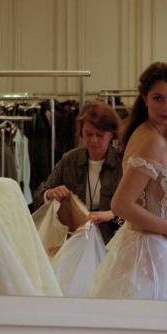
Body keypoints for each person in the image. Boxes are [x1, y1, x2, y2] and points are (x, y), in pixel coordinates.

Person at [87, 62, 167, 300]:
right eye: (158, 98)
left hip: (159, 249)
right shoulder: (151, 140)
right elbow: (121, 205)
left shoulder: (165, 137)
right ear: (145, 99)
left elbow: (158, 195)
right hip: (147, 252)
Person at [33, 101, 123, 244]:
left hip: (112, 241)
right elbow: (38, 195)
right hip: (74, 240)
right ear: (81, 132)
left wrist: (111, 214)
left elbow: (134, 211)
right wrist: (50, 194)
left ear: (112, 135)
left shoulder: (122, 164)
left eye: (99, 135)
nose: (93, 140)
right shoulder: (69, 159)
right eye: (88, 134)